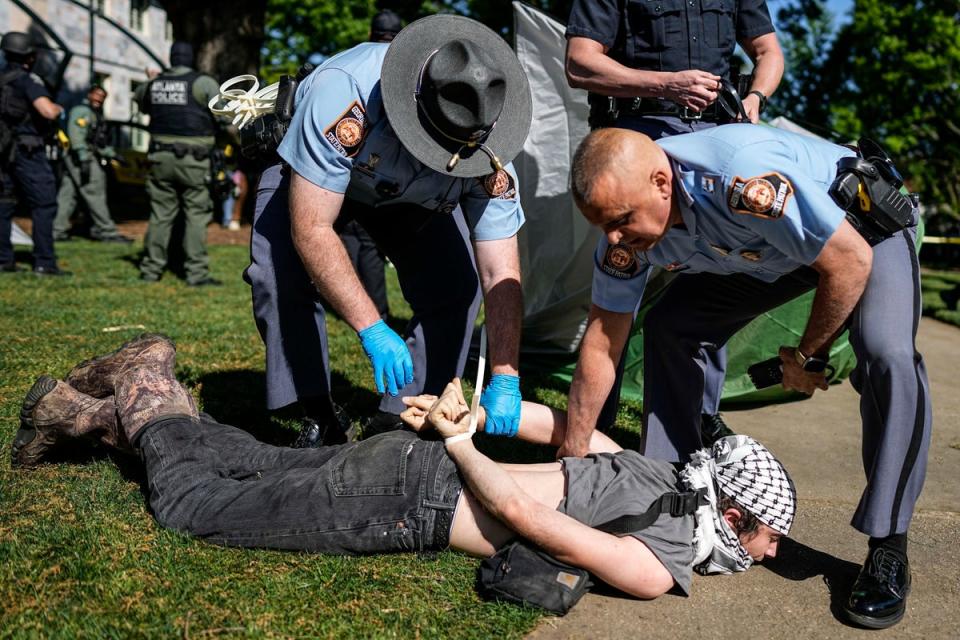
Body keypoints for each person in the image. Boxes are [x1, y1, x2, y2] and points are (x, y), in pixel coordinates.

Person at [11, 333, 796, 604]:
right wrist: (461, 441)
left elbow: (564, 430)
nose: (768, 556)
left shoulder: (661, 476)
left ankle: (77, 415)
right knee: (192, 506)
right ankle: (145, 376)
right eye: (769, 539)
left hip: (410, 467)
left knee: (254, 462)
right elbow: (530, 521)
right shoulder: (661, 565)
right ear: (732, 516)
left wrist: (473, 415)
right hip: (407, 499)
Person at [563, 125, 929, 629]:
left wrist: (806, 357)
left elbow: (847, 262)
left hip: (862, 231)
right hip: (772, 253)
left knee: (888, 356)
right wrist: (573, 454)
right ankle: (669, 497)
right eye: (603, 225)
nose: (614, 240)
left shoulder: (739, 179)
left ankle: (889, 544)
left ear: (661, 183)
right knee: (672, 325)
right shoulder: (626, 235)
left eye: (622, 221)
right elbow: (603, 341)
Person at [245, 16, 532, 448]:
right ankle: (317, 410)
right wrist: (372, 327)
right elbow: (312, 227)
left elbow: (500, 272)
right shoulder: (345, 94)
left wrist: (506, 375)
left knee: (457, 284)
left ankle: (410, 410)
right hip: (314, 183)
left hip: (411, 201)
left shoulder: (491, 146)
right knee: (276, 270)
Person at [564, 0, 785, 441]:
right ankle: (595, 425)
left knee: (716, 280)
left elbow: (769, 51)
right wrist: (667, 84)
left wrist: (755, 99)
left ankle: (700, 417)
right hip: (638, 146)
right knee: (618, 283)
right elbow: (580, 63)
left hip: (717, 143)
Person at [333, 9, 406, 319]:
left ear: (371, 33)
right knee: (370, 246)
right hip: (384, 172)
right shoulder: (406, 66)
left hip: (346, 165)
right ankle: (379, 310)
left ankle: (346, 305)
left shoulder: (354, 60)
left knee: (347, 236)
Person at [135, 42, 221, 286]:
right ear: (191, 59)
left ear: (171, 59)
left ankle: (151, 270)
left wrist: (153, 79)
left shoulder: (152, 85)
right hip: (194, 160)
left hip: (159, 158)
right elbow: (224, 117)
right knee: (196, 214)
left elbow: (140, 101)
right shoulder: (203, 83)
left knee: (160, 214)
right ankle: (196, 274)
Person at [0, 31, 68, 276]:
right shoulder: (29, 80)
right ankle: (44, 262)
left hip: (3, 150)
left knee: (4, 204)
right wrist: (59, 110)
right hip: (27, 150)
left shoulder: (2, 79)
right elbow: (47, 111)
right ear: (29, 56)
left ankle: (3, 260)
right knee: (44, 204)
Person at [53, 84, 132, 243]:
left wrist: (113, 155)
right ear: (89, 95)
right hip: (81, 157)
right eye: (96, 95)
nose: (99, 99)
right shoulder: (82, 111)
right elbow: (76, 137)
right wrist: (83, 159)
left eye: (102, 97)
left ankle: (56, 231)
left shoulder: (94, 113)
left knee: (68, 195)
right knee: (95, 190)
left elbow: (97, 142)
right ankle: (107, 231)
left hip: (79, 156)